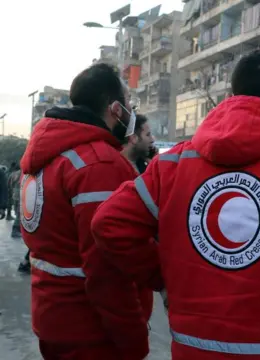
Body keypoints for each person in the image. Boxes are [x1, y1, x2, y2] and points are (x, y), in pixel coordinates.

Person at [91, 50, 260, 360]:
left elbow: (108, 223)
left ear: (231, 97)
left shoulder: (172, 163)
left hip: (195, 349)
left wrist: (161, 275)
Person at [20, 62, 156, 360]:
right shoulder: (98, 163)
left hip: (54, 317)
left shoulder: (46, 157)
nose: (133, 110)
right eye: (130, 102)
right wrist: (134, 339)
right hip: (92, 332)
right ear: (115, 108)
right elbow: (107, 268)